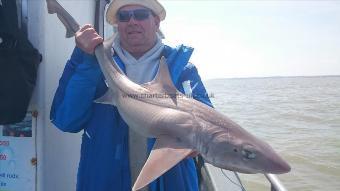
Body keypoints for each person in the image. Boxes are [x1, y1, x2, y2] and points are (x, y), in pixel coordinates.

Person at [50, 0, 213, 190]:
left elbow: (208, 124)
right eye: (124, 16)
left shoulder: (182, 69)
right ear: (117, 24)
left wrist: (196, 143)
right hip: (104, 182)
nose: (132, 21)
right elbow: (66, 120)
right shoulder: (92, 62)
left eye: (141, 14)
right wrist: (86, 61)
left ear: (157, 21)